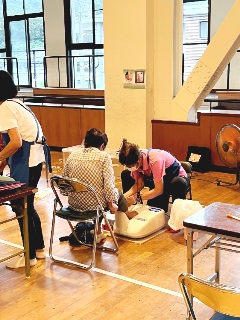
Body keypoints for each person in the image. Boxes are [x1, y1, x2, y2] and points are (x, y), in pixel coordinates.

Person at [0, 70, 50, 269]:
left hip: (26, 161)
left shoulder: (5, 108)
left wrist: (1, 157)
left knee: (21, 207)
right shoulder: (18, 103)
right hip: (35, 161)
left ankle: (29, 256)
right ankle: (38, 250)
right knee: (28, 205)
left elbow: (16, 142)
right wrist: (4, 160)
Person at [62, 128, 137, 243]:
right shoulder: (103, 157)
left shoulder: (72, 155)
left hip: (73, 205)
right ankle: (127, 212)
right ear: (102, 145)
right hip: (94, 206)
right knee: (112, 194)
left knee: (97, 194)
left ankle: (98, 232)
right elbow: (108, 186)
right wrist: (111, 204)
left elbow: (64, 184)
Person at [118, 140, 190, 219]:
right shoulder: (135, 159)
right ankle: (126, 209)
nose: (129, 167)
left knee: (156, 209)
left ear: (138, 161)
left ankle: (177, 218)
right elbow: (140, 184)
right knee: (126, 174)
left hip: (175, 178)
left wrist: (136, 199)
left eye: (129, 165)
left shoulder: (155, 160)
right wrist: (124, 197)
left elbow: (159, 190)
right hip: (156, 179)